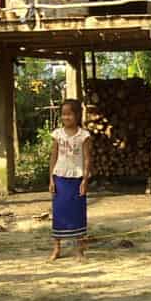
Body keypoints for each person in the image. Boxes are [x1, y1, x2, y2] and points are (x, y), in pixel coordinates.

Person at [49, 99, 92, 261]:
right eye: (63, 114)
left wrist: (85, 180)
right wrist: (51, 179)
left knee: (78, 213)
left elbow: (87, 159)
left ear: (77, 115)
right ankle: (56, 248)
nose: (66, 117)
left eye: (69, 114)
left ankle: (79, 249)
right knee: (59, 212)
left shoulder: (84, 135)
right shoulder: (57, 134)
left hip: (77, 178)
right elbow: (53, 157)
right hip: (60, 177)